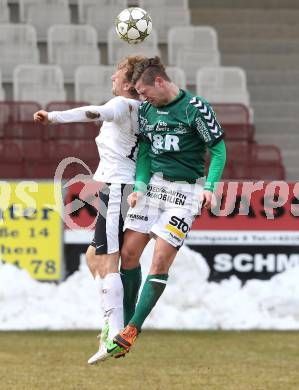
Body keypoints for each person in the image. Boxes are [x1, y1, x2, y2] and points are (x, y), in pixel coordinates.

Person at [33, 55, 146, 363]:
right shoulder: (144, 110)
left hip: (118, 187)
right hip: (119, 186)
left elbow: (95, 112)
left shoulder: (122, 105)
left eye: (117, 74)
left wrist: (53, 117)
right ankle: (113, 323)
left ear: (127, 85)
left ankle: (115, 334)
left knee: (108, 260)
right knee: (93, 256)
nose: (111, 77)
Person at [113, 57, 226, 355]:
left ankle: (131, 329)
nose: (141, 97)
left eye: (143, 91)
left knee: (160, 261)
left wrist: (210, 188)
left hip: (185, 194)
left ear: (160, 82)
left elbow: (218, 150)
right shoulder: (147, 111)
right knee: (127, 253)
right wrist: (139, 186)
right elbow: (147, 150)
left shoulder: (195, 109)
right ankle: (123, 321)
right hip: (153, 189)